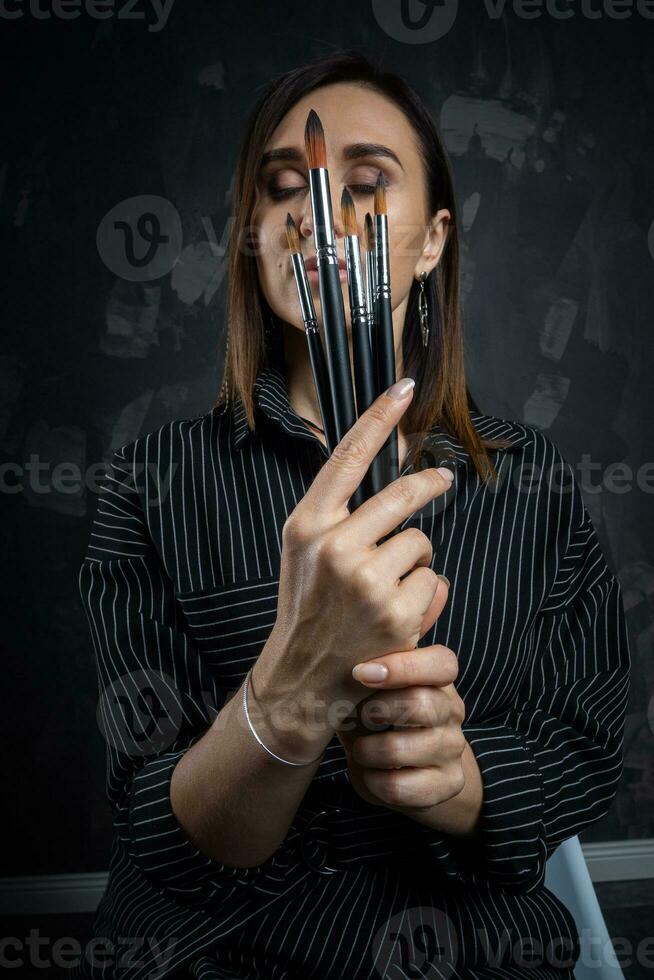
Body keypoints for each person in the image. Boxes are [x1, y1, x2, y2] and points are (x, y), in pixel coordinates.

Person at [73, 49, 631, 980]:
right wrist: (288, 701)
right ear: (254, 237)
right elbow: (157, 832)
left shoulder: (533, 482)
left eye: (364, 183)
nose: (317, 213)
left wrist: (462, 785)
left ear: (430, 241)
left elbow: (583, 745)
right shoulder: (151, 478)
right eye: (284, 187)